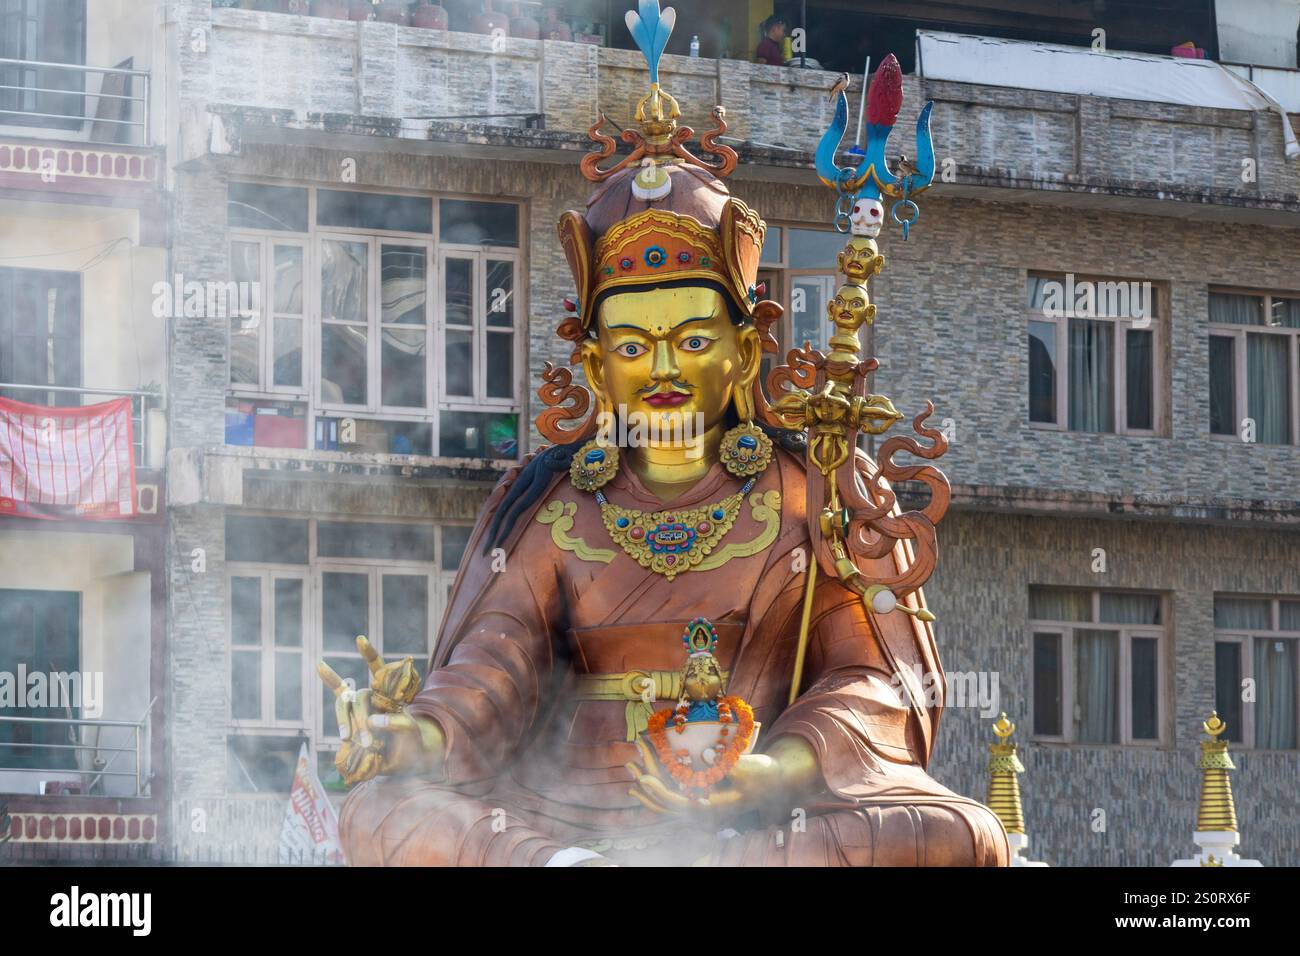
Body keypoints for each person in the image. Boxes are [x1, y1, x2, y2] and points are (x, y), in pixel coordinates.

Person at [319, 0, 1008, 868]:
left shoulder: (818, 485)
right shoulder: (556, 503)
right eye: (635, 346)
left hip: (752, 817)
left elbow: (876, 682)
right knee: (385, 811)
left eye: (692, 340)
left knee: (956, 836)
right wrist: (410, 739)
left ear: (747, 347)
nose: (665, 370)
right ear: (598, 366)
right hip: (562, 817)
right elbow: (489, 675)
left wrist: (773, 770)